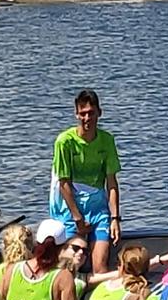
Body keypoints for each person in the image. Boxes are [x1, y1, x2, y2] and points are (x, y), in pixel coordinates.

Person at [50, 89, 121, 273]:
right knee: (68, 266)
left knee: (100, 265)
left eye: (91, 113)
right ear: (76, 114)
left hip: (98, 209)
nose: (87, 118)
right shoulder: (64, 142)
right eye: (82, 114)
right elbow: (64, 182)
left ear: (99, 112)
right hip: (71, 210)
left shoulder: (107, 140)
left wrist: (115, 218)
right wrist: (77, 217)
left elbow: (111, 183)